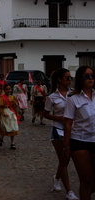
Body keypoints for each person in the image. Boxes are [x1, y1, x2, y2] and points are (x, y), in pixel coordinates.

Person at [44, 68, 78, 200]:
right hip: (58, 130)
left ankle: (57, 177)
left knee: (66, 159)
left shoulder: (74, 94)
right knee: (64, 159)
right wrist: (58, 118)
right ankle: (69, 191)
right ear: (59, 79)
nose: (70, 80)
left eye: (71, 78)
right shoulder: (52, 97)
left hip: (72, 129)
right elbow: (45, 114)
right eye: (67, 78)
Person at [64, 65, 95, 200]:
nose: (90, 79)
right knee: (86, 179)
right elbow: (68, 124)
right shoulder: (73, 98)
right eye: (86, 76)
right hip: (80, 141)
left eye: (92, 76)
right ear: (80, 79)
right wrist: (66, 147)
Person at [0, 84, 20, 150]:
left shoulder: (13, 97)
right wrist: (3, 113)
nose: (8, 90)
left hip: (11, 113)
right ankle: (1, 138)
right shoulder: (1, 97)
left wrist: (16, 105)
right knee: (5, 127)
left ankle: (12, 143)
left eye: (9, 89)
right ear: (4, 90)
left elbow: (15, 106)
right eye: (7, 89)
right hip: (4, 112)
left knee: (13, 127)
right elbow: (0, 107)